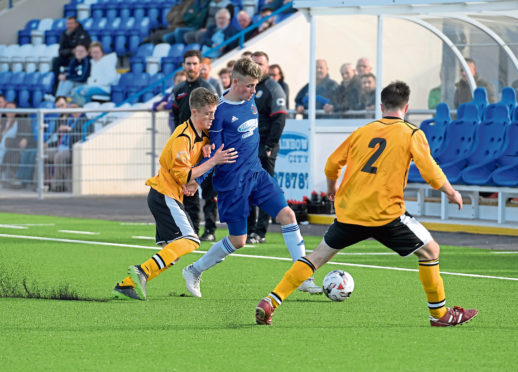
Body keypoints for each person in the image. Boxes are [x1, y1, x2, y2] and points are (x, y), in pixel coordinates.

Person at [255, 81, 479, 328]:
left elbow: (331, 165)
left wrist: (332, 189)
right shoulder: (412, 133)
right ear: (407, 107)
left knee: (316, 257)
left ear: (381, 106)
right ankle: (439, 315)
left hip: (350, 212)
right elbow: (430, 171)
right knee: (431, 252)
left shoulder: (362, 131)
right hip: (386, 215)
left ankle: (271, 301)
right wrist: (451, 192)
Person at [181, 58, 322, 298]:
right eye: (249, 86)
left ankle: (303, 276)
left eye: (256, 85)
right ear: (235, 82)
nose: (254, 91)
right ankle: (194, 270)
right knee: (238, 240)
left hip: (257, 174)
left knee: (287, 215)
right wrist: (198, 178)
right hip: (232, 183)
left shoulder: (251, 101)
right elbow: (213, 150)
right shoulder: (219, 112)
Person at [112, 87, 238, 301]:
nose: (212, 118)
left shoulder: (203, 133)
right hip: (164, 194)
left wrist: (204, 162)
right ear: (194, 112)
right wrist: (212, 162)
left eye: (213, 113)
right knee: (190, 240)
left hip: (168, 195)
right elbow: (185, 177)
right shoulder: (183, 137)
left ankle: (126, 286)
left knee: (173, 253)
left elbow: (195, 167)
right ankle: (140, 272)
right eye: (208, 113)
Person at [171, 50, 217, 236]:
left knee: (208, 190)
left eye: (194, 63)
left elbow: (216, 119)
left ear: (200, 66)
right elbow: (176, 119)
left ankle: (211, 229)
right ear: (183, 66)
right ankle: (192, 231)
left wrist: (211, 143)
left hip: (204, 145)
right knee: (187, 188)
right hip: (185, 146)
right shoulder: (178, 90)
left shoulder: (207, 89)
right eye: (188, 64)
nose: (191, 67)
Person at [247, 51, 287, 244]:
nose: (256, 67)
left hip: (265, 145)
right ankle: (246, 230)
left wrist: (270, 145)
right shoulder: (248, 87)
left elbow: (279, 119)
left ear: (267, 67)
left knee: (263, 188)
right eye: (253, 63)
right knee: (246, 186)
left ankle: (260, 231)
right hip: (248, 145)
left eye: (260, 64)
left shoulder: (273, 88)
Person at [50, 99, 88, 192]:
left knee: (59, 157)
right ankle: (40, 184)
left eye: (75, 108)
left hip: (73, 148)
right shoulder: (69, 119)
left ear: (81, 108)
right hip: (62, 146)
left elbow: (83, 137)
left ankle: (58, 186)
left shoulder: (86, 121)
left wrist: (70, 130)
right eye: (71, 108)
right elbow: (58, 136)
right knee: (42, 153)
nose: (72, 110)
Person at [52, 16, 91, 93]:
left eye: (71, 23)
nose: (69, 26)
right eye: (67, 24)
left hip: (79, 59)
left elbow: (83, 49)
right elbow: (61, 51)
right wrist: (71, 51)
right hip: (67, 56)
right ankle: (56, 87)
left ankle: (69, 78)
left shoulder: (83, 34)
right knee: (55, 61)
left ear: (76, 24)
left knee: (75, 59)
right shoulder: (64, 34)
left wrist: (76, 52)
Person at [0, 102, 31, 183]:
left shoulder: (20, 122)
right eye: (8, 109)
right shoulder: (2, 122)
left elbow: (24, 137)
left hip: (11, 147)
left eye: (12, 109)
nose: (10, 111)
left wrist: (24, 139)